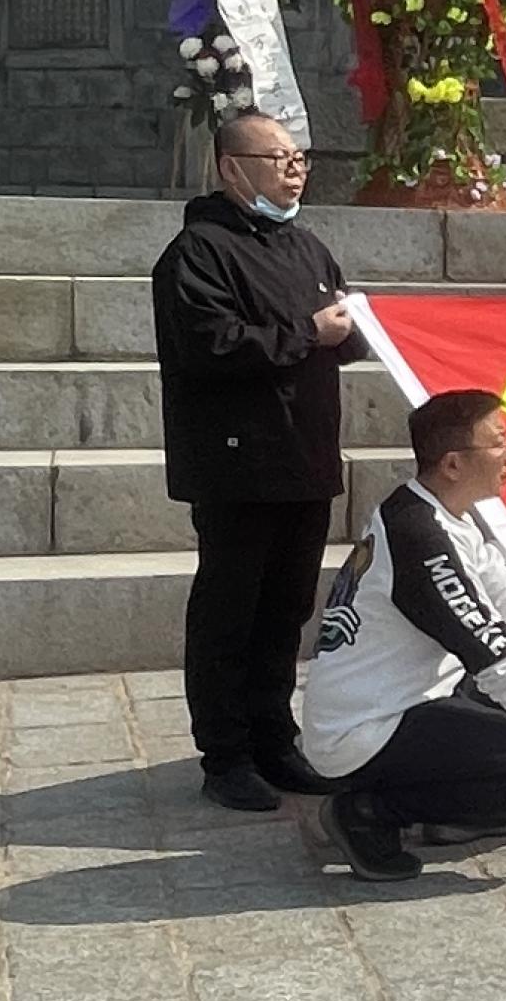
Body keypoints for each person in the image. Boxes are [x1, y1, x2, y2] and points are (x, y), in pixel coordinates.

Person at [297, 390, 506, 881]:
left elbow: (505, 595)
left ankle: (449, 811)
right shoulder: (421, 538)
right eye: (500, 443)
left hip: (399, 698)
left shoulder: (433, 509)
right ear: (452, 464)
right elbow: (492, 652)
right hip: (364, 729)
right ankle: (364, 814)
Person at [152, 112, 358, 813]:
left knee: (287, 608)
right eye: (278, 158)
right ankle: (226, 754)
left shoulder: (308, 247)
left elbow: (338, 332)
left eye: (299, 156)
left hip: (304, 456)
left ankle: (275, 738)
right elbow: (211, 344)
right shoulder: (197, 253)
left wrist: (356, 328)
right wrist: (307, 332)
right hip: (238, 464)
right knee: (230, 612)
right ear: (233, 169)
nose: (295, 169)